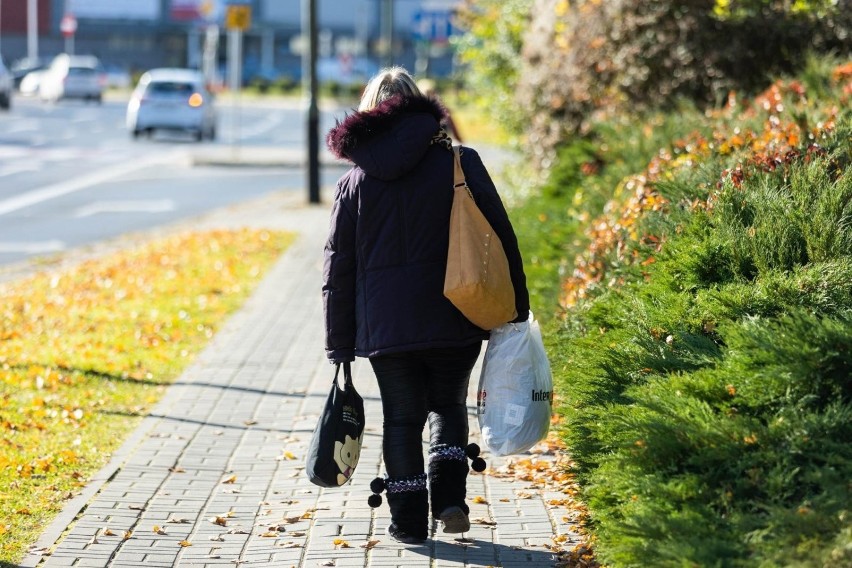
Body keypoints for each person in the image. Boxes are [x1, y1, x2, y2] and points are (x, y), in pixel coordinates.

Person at [323, 67, 529, 544]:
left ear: (370, 110)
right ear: (420, 107)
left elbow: (338, 271)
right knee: (448, 408)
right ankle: (452, 501)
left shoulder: (353, 184)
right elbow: (501, 238)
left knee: (401, 419)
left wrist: (339, 346)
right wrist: (516, 307)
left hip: (386, 328)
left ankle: (409, 521)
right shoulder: (460, 163)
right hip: (455, 313)